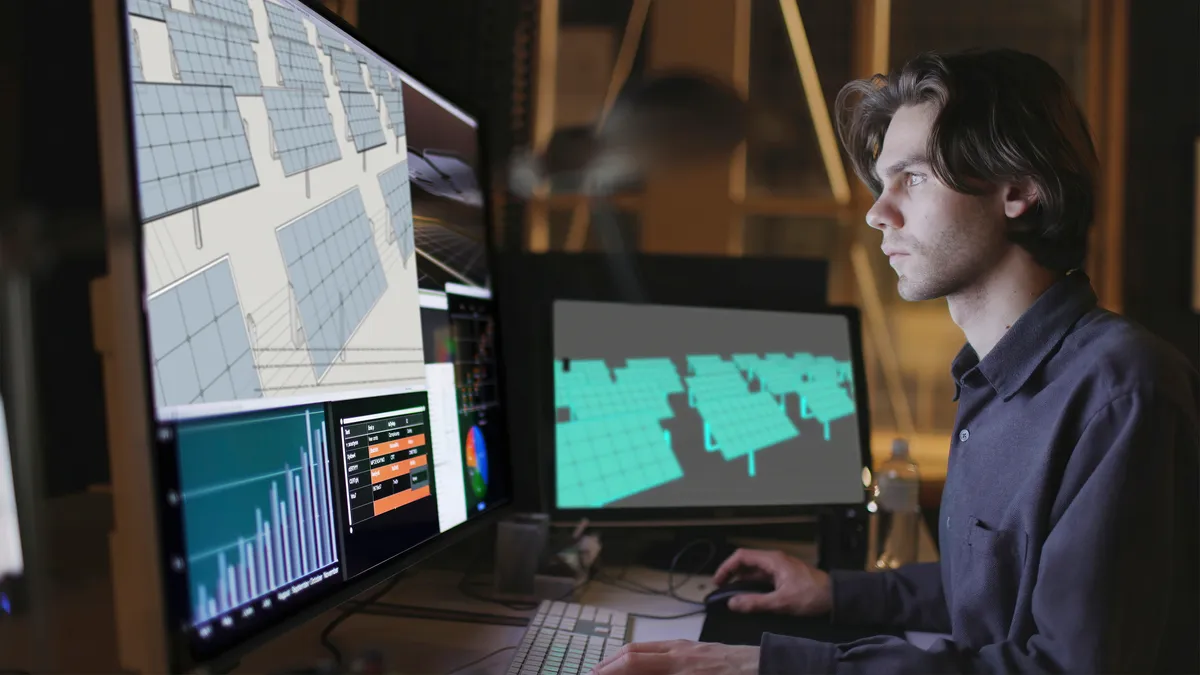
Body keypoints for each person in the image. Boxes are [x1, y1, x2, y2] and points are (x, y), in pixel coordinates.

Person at [591, 48, 1199, 675]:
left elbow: (1066, 667)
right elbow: (990, 598)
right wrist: (835, 591)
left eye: (913, 178)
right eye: (882, 183)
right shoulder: (989, 380)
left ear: (1019, 189)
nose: (878, 213)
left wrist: (761, 667)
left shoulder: (1123, 390)